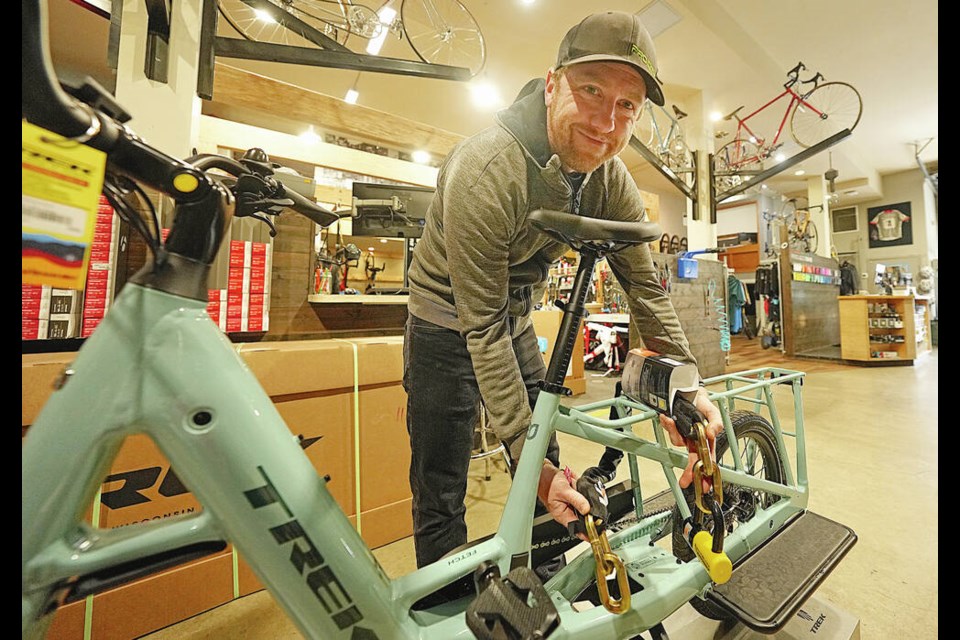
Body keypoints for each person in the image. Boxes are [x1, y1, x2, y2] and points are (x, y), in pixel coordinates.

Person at [402, 9, 723, 597]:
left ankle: (541, 586)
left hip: (517, 318)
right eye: (592, 90)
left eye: (628, 105)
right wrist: (531, 465)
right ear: (551, 86)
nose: (607, 122)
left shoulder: (608, 178)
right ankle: (442, 609)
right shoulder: (485, 170)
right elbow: (482, 328)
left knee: (543, 453)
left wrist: (689, 385)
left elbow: (645, 287)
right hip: (444, 322)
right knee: (441, 483)